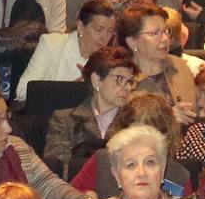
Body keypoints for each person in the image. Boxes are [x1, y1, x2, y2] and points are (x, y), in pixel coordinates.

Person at [44, 44, 137, 172]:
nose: (128, 88)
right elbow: (58, 170)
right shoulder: (65, 120)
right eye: (120, 79)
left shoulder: (135, 120)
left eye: (130, 81)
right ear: (96, 80)